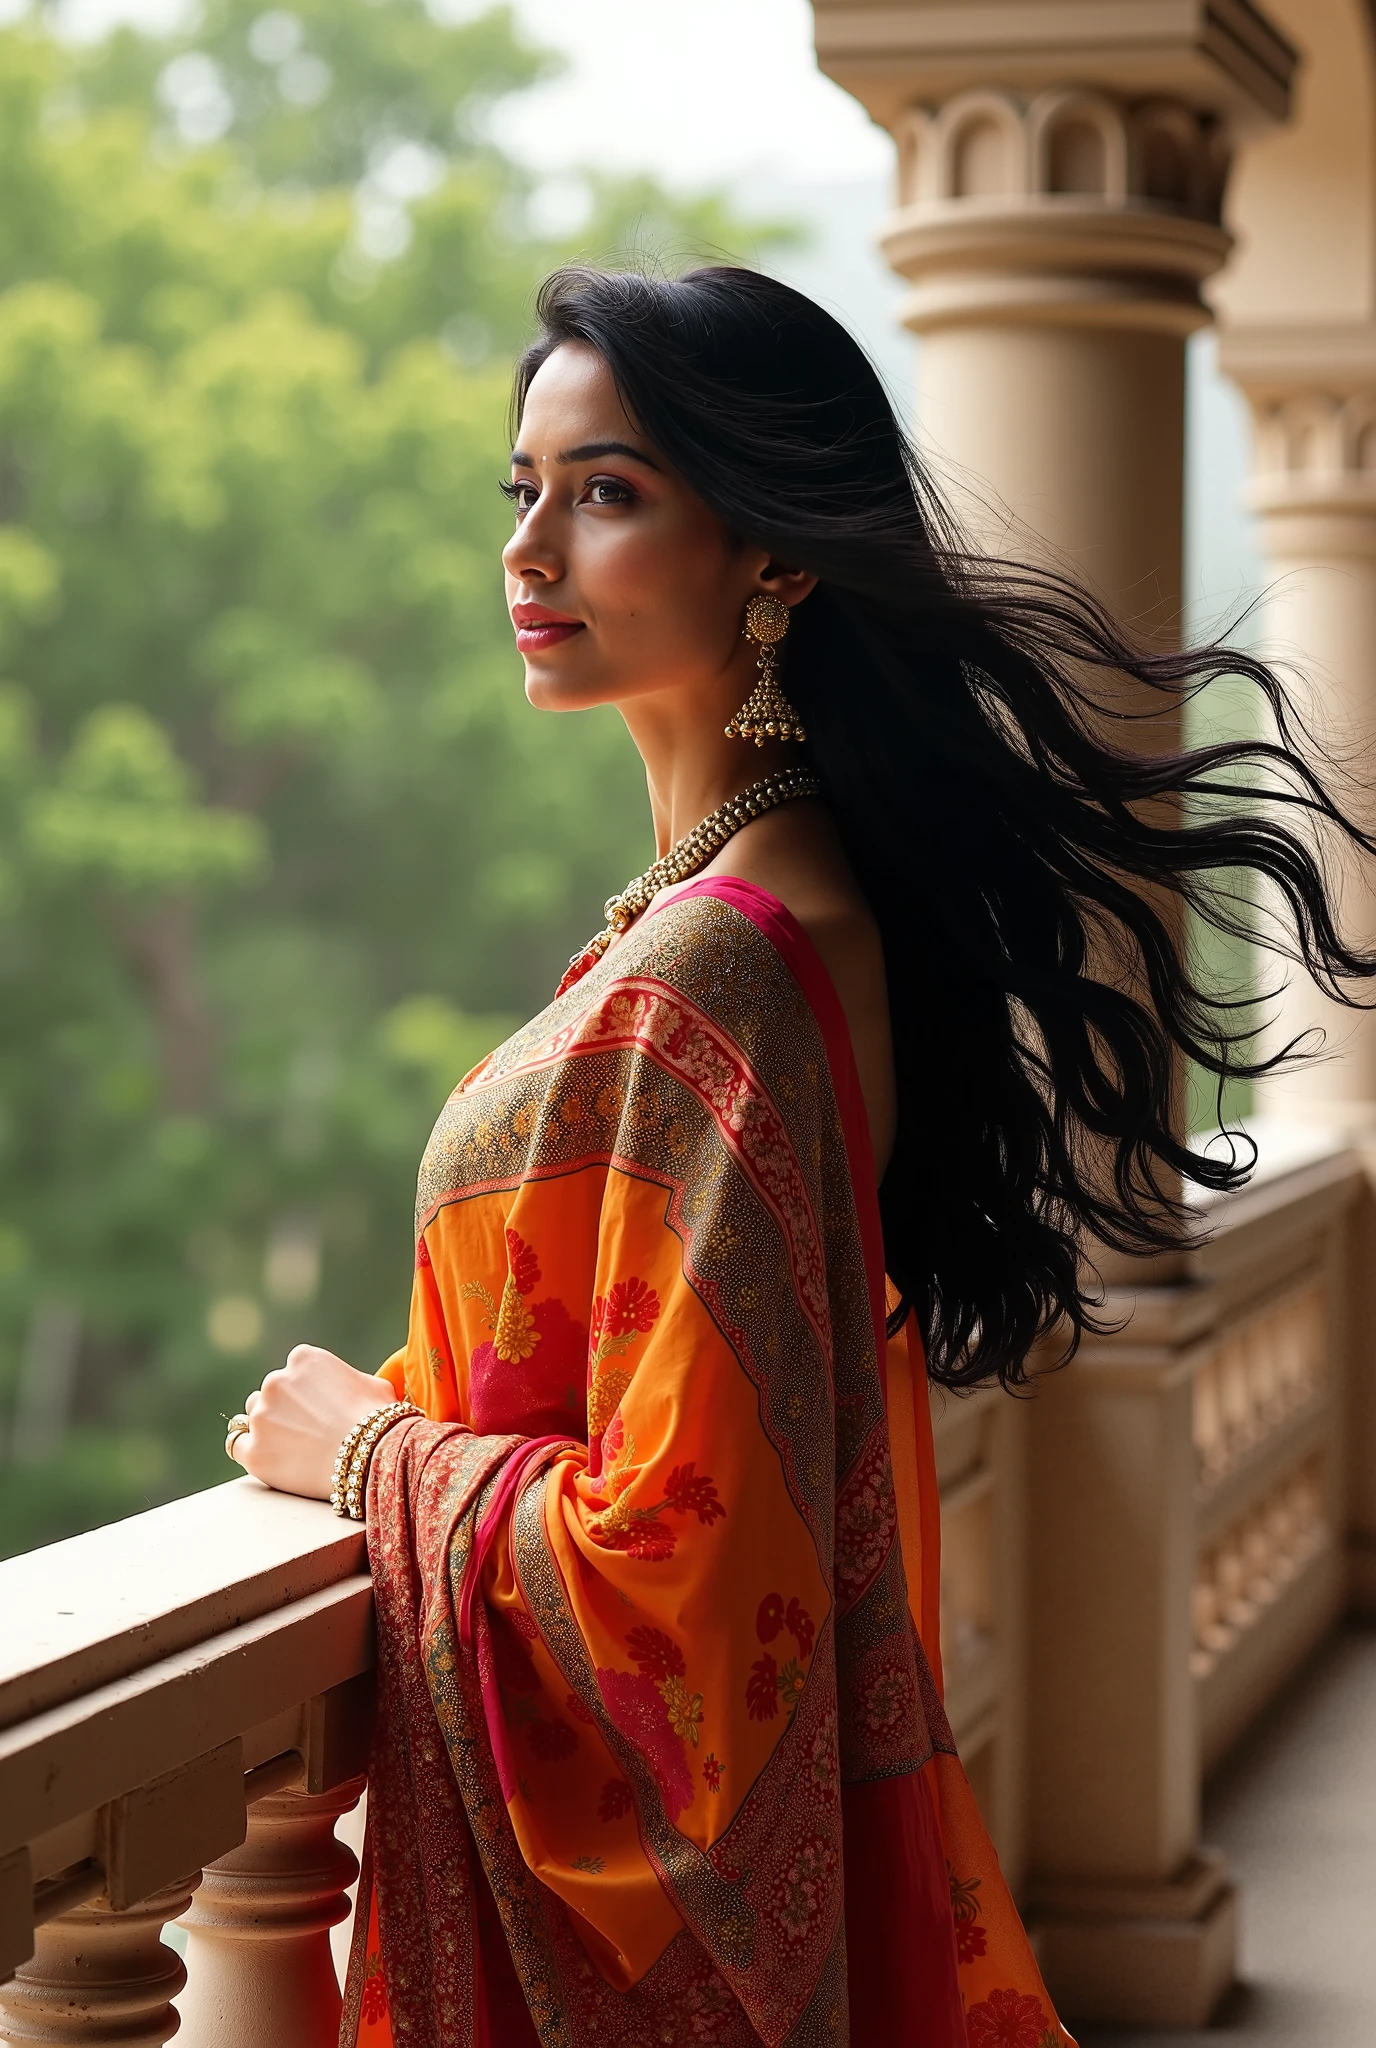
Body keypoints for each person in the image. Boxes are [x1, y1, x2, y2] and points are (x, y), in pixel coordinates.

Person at [226, 265, 1376, 2047]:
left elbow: (681, 1562)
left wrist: (371, 1447)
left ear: (777, 557)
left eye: (607, 494)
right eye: (517, 489)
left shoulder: (731, 959)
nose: (529, 550)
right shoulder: (775, 897)